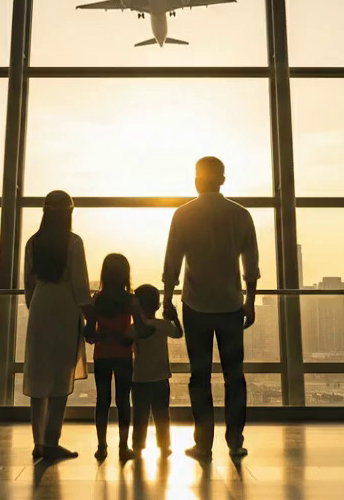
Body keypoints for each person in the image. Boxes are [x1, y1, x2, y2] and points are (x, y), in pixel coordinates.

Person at [163, 156, 258, 460]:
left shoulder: (183, 214)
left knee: (199, 376)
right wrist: (250, 301)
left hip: (195, 306)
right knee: (235, 376)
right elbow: (251, 265)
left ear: (196, 181)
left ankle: (203, 444)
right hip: (231, 306)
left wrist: (167, 300)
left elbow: (172, 262)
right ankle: (235, 441)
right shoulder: (240, 214)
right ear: (223, 180)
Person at [23, 190, 94, 461]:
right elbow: (80, 286)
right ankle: (52, 442)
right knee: (59, 378)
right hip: (65, 309)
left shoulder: (34, 242)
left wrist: (37, 308)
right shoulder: (73, 242)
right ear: (69, 212)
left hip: (40, 308)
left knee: (39, 376)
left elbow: (28, 286)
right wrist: (91, 319)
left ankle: (38, 442)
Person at [88, 253, 144, 462]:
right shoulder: (131, 300)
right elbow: (139, 327)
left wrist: (104, 335)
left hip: (102, 355)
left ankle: (102, 446)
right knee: (123, 401)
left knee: (102, 401)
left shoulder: (97, 299)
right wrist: (125, 335)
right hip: (123, 355)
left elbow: (89, 332)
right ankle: (123, 446)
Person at [131, 284, 182, 456]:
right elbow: (179, 333)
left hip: (138, 378)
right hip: (161, 378)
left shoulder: (134, 328)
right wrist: (175, 318)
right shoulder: (163, 325)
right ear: (158, 305)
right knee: (162, 415)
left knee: (139, 415)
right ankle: (164, 445)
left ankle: (138, 445)